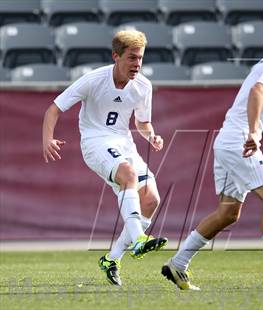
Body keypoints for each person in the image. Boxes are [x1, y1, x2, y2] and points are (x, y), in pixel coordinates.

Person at [161, 14, 263, 290]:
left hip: (227, 141)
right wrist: (254, 133)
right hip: (238, 143)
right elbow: (258, 92)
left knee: (228, 213)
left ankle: (178, 263)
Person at [42, 30, 168, 286]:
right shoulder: (93, 80)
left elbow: (143, 123)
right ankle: (139, 239)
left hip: (124, 143)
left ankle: (112, 258)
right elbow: (54, 108)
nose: (137, 65)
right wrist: (48, 139)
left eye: (140, 58)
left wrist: (152, 136)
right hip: (95, 142)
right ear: (116, 56)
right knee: (129, 176)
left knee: (152, 200)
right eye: (132, 58)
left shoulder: (143, 85)